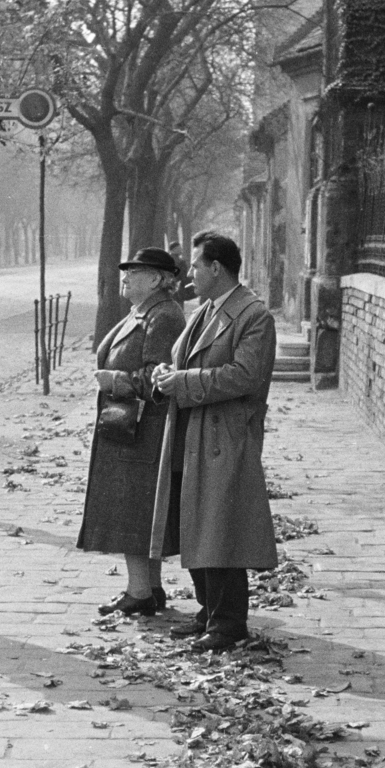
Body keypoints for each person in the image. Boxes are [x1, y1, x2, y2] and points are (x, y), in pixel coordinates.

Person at [149, 231, 278, 653]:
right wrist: (166, 375)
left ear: (216, 268)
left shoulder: (253, 314)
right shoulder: (205, 310)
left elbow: (245, 376)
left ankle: (229, 622)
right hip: (193, 429)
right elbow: (189, 361)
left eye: (195, 266)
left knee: (221, 528)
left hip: (224, 433)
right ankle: (208, 612)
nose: (189, 274)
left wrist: (183, 381)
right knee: (193, 523)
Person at [77, 247, 187, 615]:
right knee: (136, 509)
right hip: (128, 426)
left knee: (134, 510)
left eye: (133, 272)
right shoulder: (144, 312)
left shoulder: (164, 316)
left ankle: (139, 592)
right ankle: (149, 589)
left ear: (156, 279)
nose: (124, 277)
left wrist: (117, 380)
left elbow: (158, 379)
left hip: (144, 429)